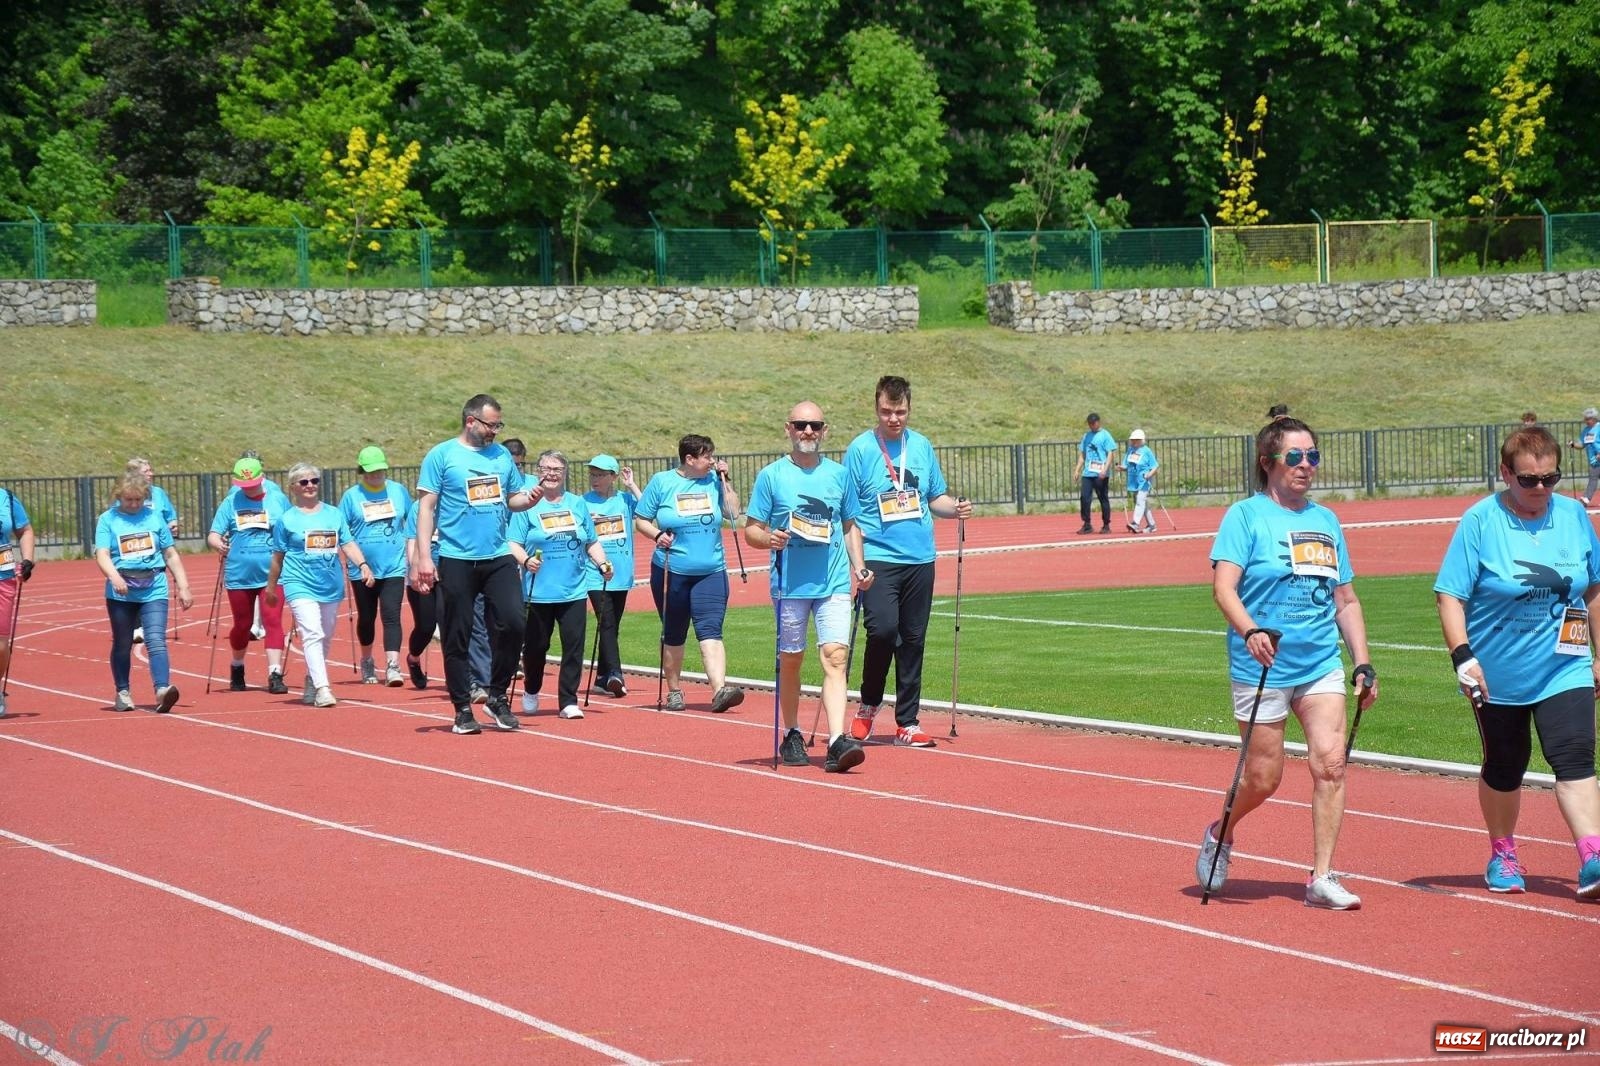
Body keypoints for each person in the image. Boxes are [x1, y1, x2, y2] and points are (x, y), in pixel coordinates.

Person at [1199, 416, 1378, 910]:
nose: (1306, 466)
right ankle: (1222, 832)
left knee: (1332, 764)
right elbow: (1224, 588)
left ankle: (1323, 876)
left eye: (1313, 457)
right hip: (1262, 666)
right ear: (1268, 463)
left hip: (1320, 661)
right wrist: (1251, 630)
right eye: (1295, 457)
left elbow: (1346, 600)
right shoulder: (1245, 517)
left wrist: (1362, 662)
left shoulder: (1326, 521)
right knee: (1264, 777)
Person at [1434, 426, 1600, 899]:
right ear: (1506, 474)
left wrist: (1599, 655)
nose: (1541, 489)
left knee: (1574, 757)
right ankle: (1503, 852)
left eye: (1550, 478)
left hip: (1563, 664)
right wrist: (1462, 657)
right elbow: (1450, 596)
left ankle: (1592, 855)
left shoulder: (1572, 515)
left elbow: (1594, 586)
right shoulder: (1480, 522)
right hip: (1497, 672)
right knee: (1506, 764)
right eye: (1529, 481)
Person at [843, 375, 973, 748]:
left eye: (900, 411)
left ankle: (907, 721)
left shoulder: (922, 446)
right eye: (887, 411)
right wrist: (856, 561)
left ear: (909, 409)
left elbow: (935, 497)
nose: (894, 418)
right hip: (879, 558)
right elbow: (848, 510)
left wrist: (956, 508)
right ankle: (868, 703)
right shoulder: (861, 450)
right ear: (876, 408)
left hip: (920, 557)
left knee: (913, 639)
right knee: (882, 631)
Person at [746, 401, 869, 773]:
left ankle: (836, 740)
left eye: (815, 425)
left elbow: (849, 525)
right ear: (788, 428)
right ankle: (793, 731)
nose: (808, 432)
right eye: (801, 425)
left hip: (832, 583)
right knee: (792, 659)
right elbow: (751, 529)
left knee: (835, 656)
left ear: (825, 430)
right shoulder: (771, 476)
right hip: (790, 585)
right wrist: (769, 540)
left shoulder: (839, 475)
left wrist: (859, 567)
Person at [412, 395, 535, 734]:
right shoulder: (442, 456)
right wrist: (424, 557)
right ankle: (462, 708)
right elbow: (426, 508)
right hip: (456, 558)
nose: (495, 431)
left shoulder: (500, 457)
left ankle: (497, 696)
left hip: (497, 555)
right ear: (470, 421)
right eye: (491, 424)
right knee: (457, 634)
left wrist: (529, 498)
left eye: (499, 425)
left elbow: (513, 498)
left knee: (514, 623)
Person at [634, 434, 745, 713]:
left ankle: (720, 690)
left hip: (711, 570)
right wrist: (658, 535)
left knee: (711, 630)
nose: (712, 461)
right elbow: (641, 520)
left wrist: (725, 480)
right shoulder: (662, 482)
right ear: (690, 459)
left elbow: (733, 513)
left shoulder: (713, 481)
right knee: (674, 632)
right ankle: (674, 690)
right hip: (672, 570)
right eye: (707, 456)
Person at [509, 450, 614, 719]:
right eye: (546, 468)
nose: (551, 474)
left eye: (557, 469)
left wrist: (602, 563)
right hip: (538, 592)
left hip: (573, 589)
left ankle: (568, 700)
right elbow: (513, 543)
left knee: (573, 647)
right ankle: (531, 689)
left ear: (565, 473)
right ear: (538, 471)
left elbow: (591, 540)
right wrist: (526, 560)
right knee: (535, 648)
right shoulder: (527, 504)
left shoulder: (577, 504)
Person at [267, 462, 374, 709]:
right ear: (293, 487)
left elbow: (347, 543)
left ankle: (312, 678)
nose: (310, 486)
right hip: (298, 582)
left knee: (325, 635)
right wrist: (272, 588)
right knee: (312, 632)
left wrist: (363, 564)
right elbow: (277, 558)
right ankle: (323, 688)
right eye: (304, 482)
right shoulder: (287, 520)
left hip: (330, 584)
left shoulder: (333, 514)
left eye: (314, 480)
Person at [93, 473, 194, 713]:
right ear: (119, 497)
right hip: (122, 591)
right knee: (123, 642)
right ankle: (123, 691)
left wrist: (183, 586)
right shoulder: (108, 520)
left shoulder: (154, 518)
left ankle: (162, 689)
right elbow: (102, 554)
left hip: (154, 586)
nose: (134, 504)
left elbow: (170, 553)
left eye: (138, 499)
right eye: (129, 500)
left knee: (156, 639)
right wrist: (114, 576)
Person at [206, 457, 291, 694]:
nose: (248, 488)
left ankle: (274, 673)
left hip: (272, 574)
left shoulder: (277, 500)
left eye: (252, 483)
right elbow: (213, 534)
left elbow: (290, 527)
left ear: (262, 478)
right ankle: (237, 665)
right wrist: (218, 545)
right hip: (239, 574)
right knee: (242, 625)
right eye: (244, 484)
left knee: (273, 620)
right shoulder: (230, 502)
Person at [340, 446, 414, 687]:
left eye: (379, 471)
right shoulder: (351, 497)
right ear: (362, 472)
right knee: (367, 617)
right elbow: (343, 532)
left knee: (392, 615)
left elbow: (411, 521)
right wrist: (359, 562)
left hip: (393, 565)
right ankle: (367, 659)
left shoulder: (398, 491)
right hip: (362, 568)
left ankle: (393, 666)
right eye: (370, 472)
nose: (375, 476)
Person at [468, 437, 527, 703]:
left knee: (508, 619)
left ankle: (502, 666)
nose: (516, 470)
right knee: (477, 620)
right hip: (479, 555)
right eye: (513, 465)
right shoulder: (484, 477)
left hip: (511, 556)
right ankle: (480, 681)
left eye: (520, 465)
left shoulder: (528, 484)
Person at [583, 453, 641, 696]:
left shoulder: (625, 501)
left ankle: (601, 677)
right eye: (592, 474)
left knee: (612, 625)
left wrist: (633, 486)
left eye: (600, 475)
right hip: (594, 572)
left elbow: (650, 508)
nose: (594, 479)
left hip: (622, 572)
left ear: (613, 477)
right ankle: (616, 674)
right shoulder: (582, 502)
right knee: (605, 621)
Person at [127, 456, 179, 645]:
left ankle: (150, 625)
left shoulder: (159, 493)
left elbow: (170, 515)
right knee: (134, 585)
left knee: (154, 585)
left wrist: (173, 524)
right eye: (146, 471)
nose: (151, 474)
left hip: (157, 548)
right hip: (134, 547)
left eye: (151, 470)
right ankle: (135, 625)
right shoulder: (125, 495)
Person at [0, 485, 37, 717]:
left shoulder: (7, 498)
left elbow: (25, 530)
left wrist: (28, 560)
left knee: (1, 645)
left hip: (3, 577)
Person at [401, 497, 439, 689]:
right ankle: (414, 657)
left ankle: (461, 677)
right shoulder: (420, 506)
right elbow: (412, 541)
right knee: (426, 626)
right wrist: (415, 571)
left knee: (455, 628)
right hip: (424, 574)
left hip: (453, 573)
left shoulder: (458, 500)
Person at [1074, 412, 1117, 534]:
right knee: (1084, 498)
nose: (1092, 425)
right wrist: (1077, 469)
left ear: (1098, 422)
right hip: (1088, 473)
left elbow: (1110, 453)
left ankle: (1106, 524)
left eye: (1093, 423)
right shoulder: (1086, 436)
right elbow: (1082, 455)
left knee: (1103, 497)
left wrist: (1105, 469)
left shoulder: (1105, 435)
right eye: (1089, 423)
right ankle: (1087, 524)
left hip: (1100, 473)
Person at [1122, 428, 1160, 534]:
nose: (1134, 442)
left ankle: (1135, 523)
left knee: (1140, 500)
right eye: (1132, 440)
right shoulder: (1130, 450)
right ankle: (1151, 525)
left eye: (1136, 440)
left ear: (1141, 440)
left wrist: (1149, 474)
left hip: (1144, 480)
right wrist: (1121, 468)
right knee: (1141, 502)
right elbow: (1127, 465)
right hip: (1134, 480)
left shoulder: (1147, 451)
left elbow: (1155, 466)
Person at [1568, 406, 1599, 506]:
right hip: (1594, 461)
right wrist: (1573, 444)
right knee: (1593, 478)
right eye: (1586, 419)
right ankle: (1586, 499)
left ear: (1594, 418)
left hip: (1598, 458)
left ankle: (1586, 499)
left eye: (1588, 419)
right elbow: (1581, 444)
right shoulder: (1586, 431)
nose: (1586, 421)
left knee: (1593, 479)